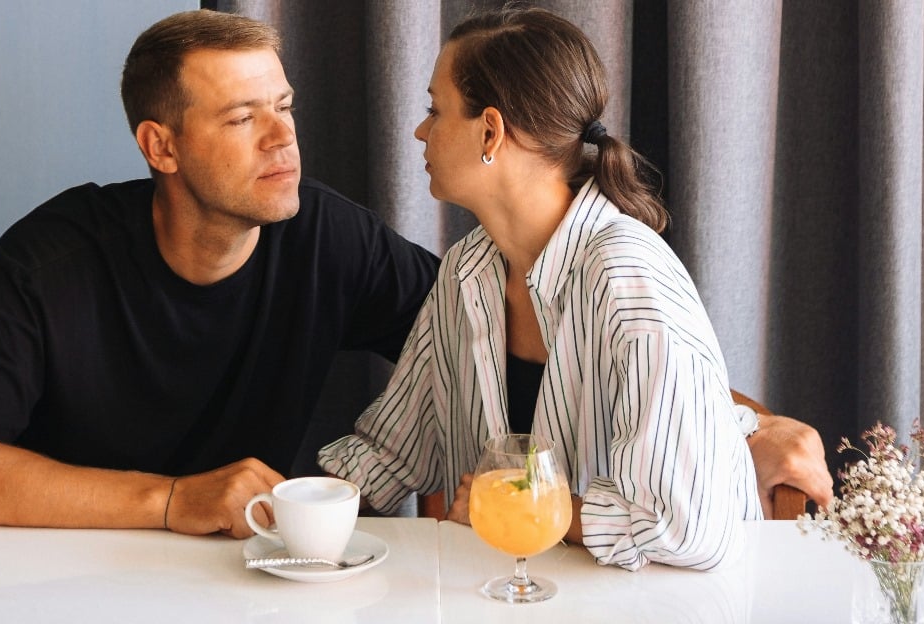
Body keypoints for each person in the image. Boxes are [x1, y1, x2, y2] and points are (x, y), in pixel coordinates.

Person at [0, 8, 828, 538]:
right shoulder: (54, 256)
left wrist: (736, 423)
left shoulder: (338, 241)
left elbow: (592, 354)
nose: (285, 137)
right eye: (240, 119)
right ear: (161, 144)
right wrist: (177, 502)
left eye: (287, 106)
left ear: (492, 133)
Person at [318, 7, 791, 571]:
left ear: (490, 130)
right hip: (519, 596)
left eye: (434, 109)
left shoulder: (627, 276)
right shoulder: (467, 271)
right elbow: (392, 450)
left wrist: (534, 506)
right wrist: (284, 510)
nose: (421, 130)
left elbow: (685, 525)